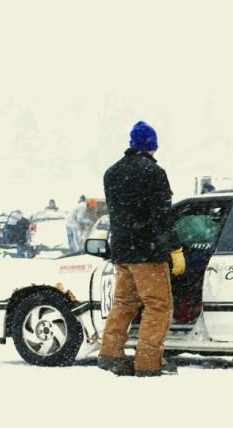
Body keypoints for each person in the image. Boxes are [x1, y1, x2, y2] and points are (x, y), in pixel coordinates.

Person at [97, 121, 186, 377]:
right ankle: (148, 362)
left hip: (122, 252)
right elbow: (162, 217)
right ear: (152, 146)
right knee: (158, 305)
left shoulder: (112, 172)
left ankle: (110, 353)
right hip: (147, 252)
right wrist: (175, 249)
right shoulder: (153, 173)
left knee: (124, 303)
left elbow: (120, 212)